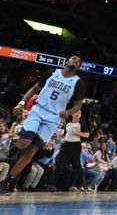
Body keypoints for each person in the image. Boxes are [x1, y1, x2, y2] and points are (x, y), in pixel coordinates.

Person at [1, 55, 85, 194]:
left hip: (53, 118)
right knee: (25, 142)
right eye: (73, 58)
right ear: (67, 61)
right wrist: (21, 103)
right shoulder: (52, 72)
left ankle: (7, 181)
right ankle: (10, 151)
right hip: (38, 110)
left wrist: (68, 112)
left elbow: (78, 105)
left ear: (78, 67)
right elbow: (35, 89)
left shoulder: (78, 83)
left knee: (31, 151)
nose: (75, 61)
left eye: (78, 61)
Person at [48, 109, 90, 191]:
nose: (78, 114)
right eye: (76, 112)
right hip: (66, 145)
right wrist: (57, 136)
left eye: (79, 113)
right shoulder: (68, 123)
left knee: (76, 166)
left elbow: (87, 135)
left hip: (76, 145)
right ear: (72, 114)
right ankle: (52, 185)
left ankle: (82, 184)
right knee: (59, 162)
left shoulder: (82, 123)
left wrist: (78, 133)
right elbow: (65, 135)